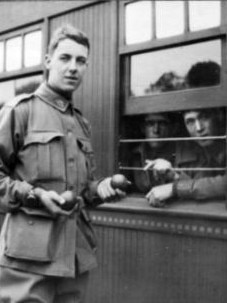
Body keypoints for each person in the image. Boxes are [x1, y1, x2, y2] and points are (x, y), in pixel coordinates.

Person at [0, 24, 125, 302]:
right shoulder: (21, 111)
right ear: (48, 61)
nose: (73, 68)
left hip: (74, 259)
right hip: (28, 261)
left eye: (81, 61)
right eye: (65, 58)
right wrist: (34, 195)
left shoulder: (81, 123)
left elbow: (81, 190)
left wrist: (100, 188)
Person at [146, 107, 226, 207]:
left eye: (204, 117)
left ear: (220, 116)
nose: (199, 128)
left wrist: (174, 188)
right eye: (190, 122)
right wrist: (174, 176)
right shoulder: (204, 152)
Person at [131, 113, 175, 193]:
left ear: (172, 128)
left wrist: (174, 176)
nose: (156, 130)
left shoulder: (183, 152)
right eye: (150, 124)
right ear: (143, 128)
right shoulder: (134, 155)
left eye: (162, 124)